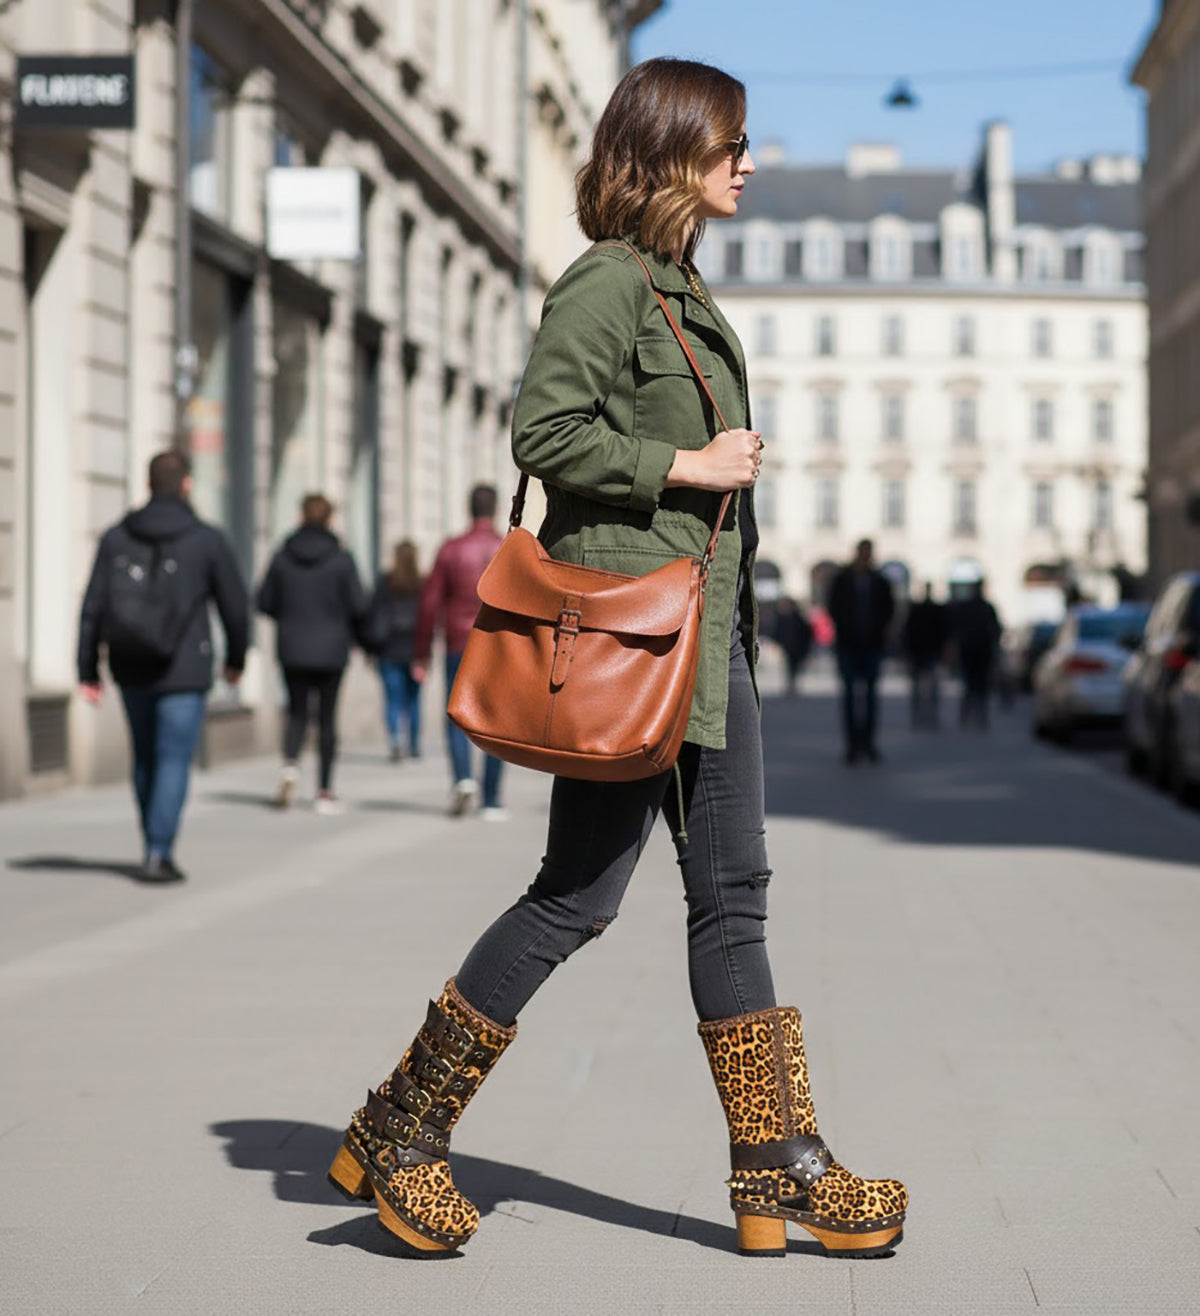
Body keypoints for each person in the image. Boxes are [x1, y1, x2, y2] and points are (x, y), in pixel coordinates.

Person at [326, 58, 906, 1263]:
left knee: (732, 893)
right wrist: (685, 466)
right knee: (577, 895)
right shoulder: (606, 282)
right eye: (732, 141)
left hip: (710, 644)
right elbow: (545, 427)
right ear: (676, 147)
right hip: (634, 647)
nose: (750, 162)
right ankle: (403, 1124)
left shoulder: (681, 286)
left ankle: (777, 1162)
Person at [77, 450, 248, 882]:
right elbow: (234, 605)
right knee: (173, 758)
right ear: (186, 484)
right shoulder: (205, 539)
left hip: (130, 664)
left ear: (149, 483)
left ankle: (151, 841)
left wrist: (87, 668)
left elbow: (93, 604)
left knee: (145, 757)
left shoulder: (117, 536)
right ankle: (159, 849)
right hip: (185, 668)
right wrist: (236, 659)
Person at [256, 493, 367, 814]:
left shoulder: (282, 556)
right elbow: (358, 605)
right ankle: (324, 790)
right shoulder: (341, 558)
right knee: (327, 719)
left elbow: (264, 601)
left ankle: (290, 764)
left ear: (301, 516)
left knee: (297, 712)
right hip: (332, 649)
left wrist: (290, 615)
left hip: (292, 647)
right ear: (329, 519)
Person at [413, 485, 506, 820]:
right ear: (495, 509)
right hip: (498, 642)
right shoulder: (507, 547)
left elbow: (429, 603)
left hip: (457, 640)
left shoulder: (451, 549)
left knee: (456, 713)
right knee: (496, 719)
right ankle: (492, 799)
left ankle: (464, 779)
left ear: (469, 508)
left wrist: (421, 651)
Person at [827, 539, 895, 763]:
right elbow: (833, 608)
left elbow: (889, 611)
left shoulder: (880, 582)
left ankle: (868, 743)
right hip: (848, 645)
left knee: (871, 696)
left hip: (872, 645)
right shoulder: (843, 580)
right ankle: (852, 744)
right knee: (849, 696)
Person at [368, 540, 424, 762]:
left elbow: (373, 612)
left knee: (393, 699)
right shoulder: (422, 583)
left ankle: (395, 739)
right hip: (414, 647)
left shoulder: (385, 581)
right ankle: (413, 743)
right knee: (413, 700)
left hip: (389, 648)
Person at [952, 580, 1002, 730]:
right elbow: (996, 629)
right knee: (980, 685)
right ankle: (979, 717)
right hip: (981, 650)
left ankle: (967, 717)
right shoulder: (986, 607)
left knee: (969, 684)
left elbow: (956, 628)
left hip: (970, 649)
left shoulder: (968, 607)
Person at [901, 583, 948, 729]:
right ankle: (919, 714)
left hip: (929, 651)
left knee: (931, 686)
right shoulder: (919, 609)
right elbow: (908, 631)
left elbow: (943, 631)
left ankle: (928, 714)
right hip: (920, 652)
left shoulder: (934, 609)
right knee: (919, 686)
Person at [772, 595, 814, 695]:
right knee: (791, 666)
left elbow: (806, 633)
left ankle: (792, 684)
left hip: (796, 646)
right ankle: (791, 684)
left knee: (794, 666)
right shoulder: (785, 618)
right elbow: (778, 632)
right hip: (790, 646)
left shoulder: (798, 618)